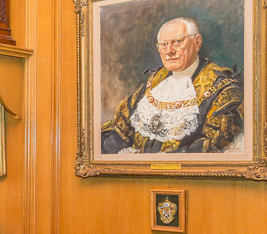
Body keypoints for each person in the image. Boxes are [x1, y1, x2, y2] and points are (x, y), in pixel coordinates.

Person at [101, 17, 243, 154]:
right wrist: (122, 153)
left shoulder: (222, 87)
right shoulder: (154, 82)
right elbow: (118, 130)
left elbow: (212, 146)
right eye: (163, 44)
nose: (169, 51)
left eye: (177, 42)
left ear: (197, 42)